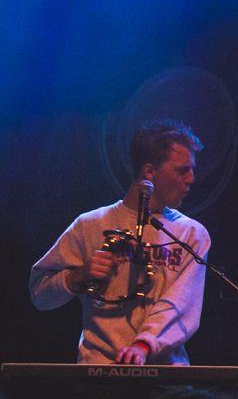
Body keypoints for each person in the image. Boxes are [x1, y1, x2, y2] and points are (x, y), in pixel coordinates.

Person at [30, 119, 208, 366]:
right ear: (149, 171)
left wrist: (144, 344)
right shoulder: (91, 225)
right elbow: (39, 294)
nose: (191, 179)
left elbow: (182, 303)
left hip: (166, 375)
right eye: (182, 170)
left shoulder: (191, 234)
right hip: (99, 372)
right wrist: (78, 277)